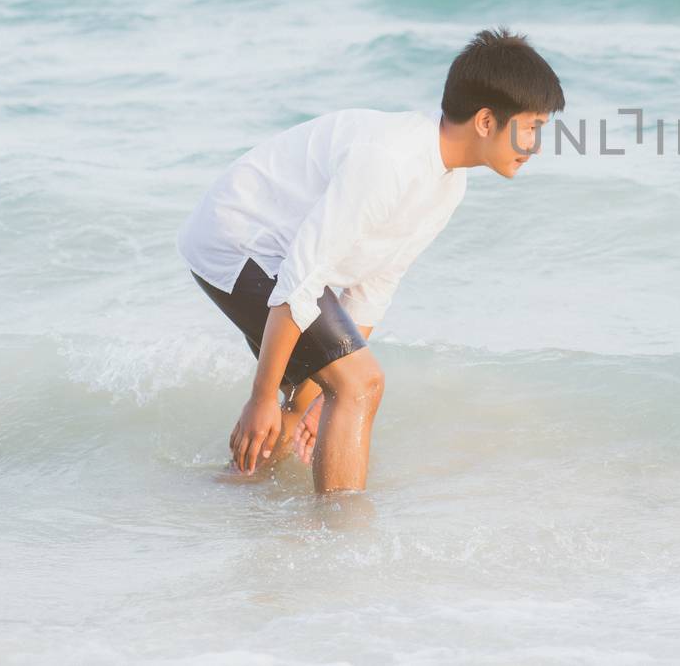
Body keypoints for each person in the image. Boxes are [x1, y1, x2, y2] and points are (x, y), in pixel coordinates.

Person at [178, 28, 563, 492]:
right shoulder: (391, 160)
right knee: (362, 383)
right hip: (236, 238)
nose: (537, 146)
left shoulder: (447, 184)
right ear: (485, 121)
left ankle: (235, 490)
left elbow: (372, 287)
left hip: (280, 255)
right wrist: (261, 397)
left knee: (319, 395)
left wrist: (316, 396)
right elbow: (301, 278)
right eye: (532, 128)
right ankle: (341, 540)